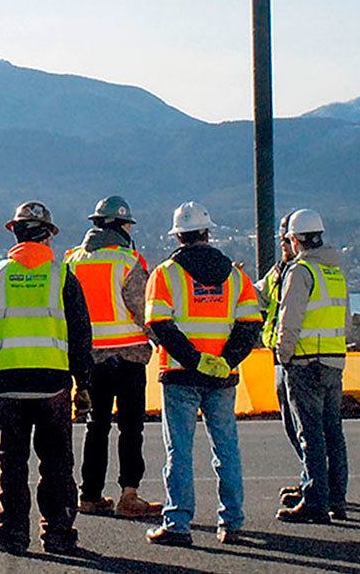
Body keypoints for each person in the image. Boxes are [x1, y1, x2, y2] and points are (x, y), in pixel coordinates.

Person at [0, 201, 94, 556]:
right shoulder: (63, 276)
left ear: (15, 233)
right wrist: (83, 383)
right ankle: (57, 535)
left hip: (7, 386)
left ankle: (10, 537)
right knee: (56, 465)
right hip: (53, 385)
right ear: (48, 238)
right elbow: (80, 335)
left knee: (10, 464)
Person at [144, 202, 261, 547]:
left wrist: (194, 359)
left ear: (178, 235)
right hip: (222, 377)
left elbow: (159, 324)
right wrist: (224, 360)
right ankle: (233, 522)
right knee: (226, 448)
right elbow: (250, 325)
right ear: (208, 232)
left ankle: (178, 522)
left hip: (180, 374)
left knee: (178, 450)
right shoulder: (236, 276)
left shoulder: (165, 274)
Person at [64, 195, 158, 519]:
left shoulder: (72, 261)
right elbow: (145, 309)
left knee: (96, 426)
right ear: (120, 226)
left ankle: (89, 495)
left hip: (90, 361)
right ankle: (129, 496)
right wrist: (165, 342)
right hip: (129, 357)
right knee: (131, 427)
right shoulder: (126, 261)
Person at [273, 209, 350, 524]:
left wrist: (283, 353)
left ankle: (315, 501)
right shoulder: (335, 272)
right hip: (333, 361)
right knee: (333, 432)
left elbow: (290, 319)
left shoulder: (301, 271)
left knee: (310, 434)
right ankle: (337, 498)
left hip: (305, 362)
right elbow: (345, 319)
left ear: (294, 238)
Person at [257, 211, 302, 471]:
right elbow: (260, 294)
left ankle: (318, 485)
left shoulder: (303, 272)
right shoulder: (279, 271)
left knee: (307, 428)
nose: (283, 243)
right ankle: (311, 478)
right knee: (291, 424)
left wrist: (286, 353)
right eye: (281, 238)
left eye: (287, 238)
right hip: (281, 358)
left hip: (298, 358)